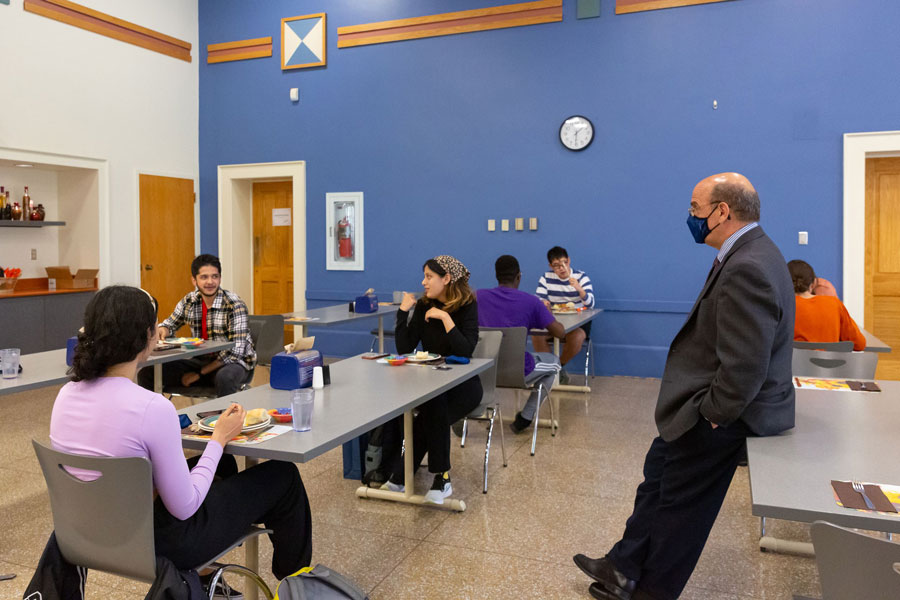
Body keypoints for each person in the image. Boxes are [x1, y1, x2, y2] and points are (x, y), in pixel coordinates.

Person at [573, 173, 795, 600]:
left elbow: (745, 365)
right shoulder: (750, 253)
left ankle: (652, 591)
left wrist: (713, 415)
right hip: (711, 402)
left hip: (728, 413)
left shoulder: (747, 266)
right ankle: (623, 566)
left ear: (722, 211)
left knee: (681, 509)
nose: (690, 217)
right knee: (657, 472)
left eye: (695, 209)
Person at [50, 286, 311, 597]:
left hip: (87, 533)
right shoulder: (152, 407)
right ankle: (297, 585)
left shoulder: (66, 394)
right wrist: (218, 438)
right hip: (157, 541)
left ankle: (203, 578)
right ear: (148, 338)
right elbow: (184, 507)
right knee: (284, 476)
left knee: (224, 464)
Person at [378, 255, 482, 505]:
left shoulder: (467, 305)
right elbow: (404, 347)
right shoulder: (424, 305)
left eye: (429, 277)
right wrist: (404, 312)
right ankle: (436, 478)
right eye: (424, 276)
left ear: (446, 279)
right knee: (432, 407)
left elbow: (465, 350)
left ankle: (417, 477)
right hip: (432, 384)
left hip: (465, 386)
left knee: (433, 408)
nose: (423, 282)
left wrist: (445, 318)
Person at [138, 254, 256, 397]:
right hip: (201, 360)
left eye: (215, 276)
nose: (210, 282)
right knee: (147, 372)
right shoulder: (189, 301)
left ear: (220, 278)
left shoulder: (234, 304)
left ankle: (225, 418)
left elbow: (235, 353)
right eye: (204, 277)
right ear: (194, 280)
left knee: (225, 378)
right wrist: (164, 329)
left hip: (234, 363)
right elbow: (171, 323)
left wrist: (199, 374)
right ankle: (155, 416)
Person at [476, 255, 565, 434]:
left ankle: (464, 415)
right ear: (519, 277)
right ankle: (526, 417)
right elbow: (559, 332)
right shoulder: (531, 302)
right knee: (555, 363)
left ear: (496, 276)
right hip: (518, 371)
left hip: (483, 371)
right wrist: (546, 312)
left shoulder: (477, 297)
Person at [533, 246, 595, 383]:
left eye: (564, 263)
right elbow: (539, 300)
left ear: (569, 261)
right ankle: (551, 370)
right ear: (550, 266)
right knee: (536, 334)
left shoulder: (581, 277)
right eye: (556, 265)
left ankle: (557, 368)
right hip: (554, 321)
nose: (561, 268)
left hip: (577, 322)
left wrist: (579, 289)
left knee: (578, 337)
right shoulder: (546, 278)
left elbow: (591, 303)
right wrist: (543, 303)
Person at [788, 259, 865, 350]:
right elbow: (859, 344)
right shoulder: (834, 304)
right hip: (832, 364)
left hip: (795, 364)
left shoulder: (784, 307)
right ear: (812, 284)